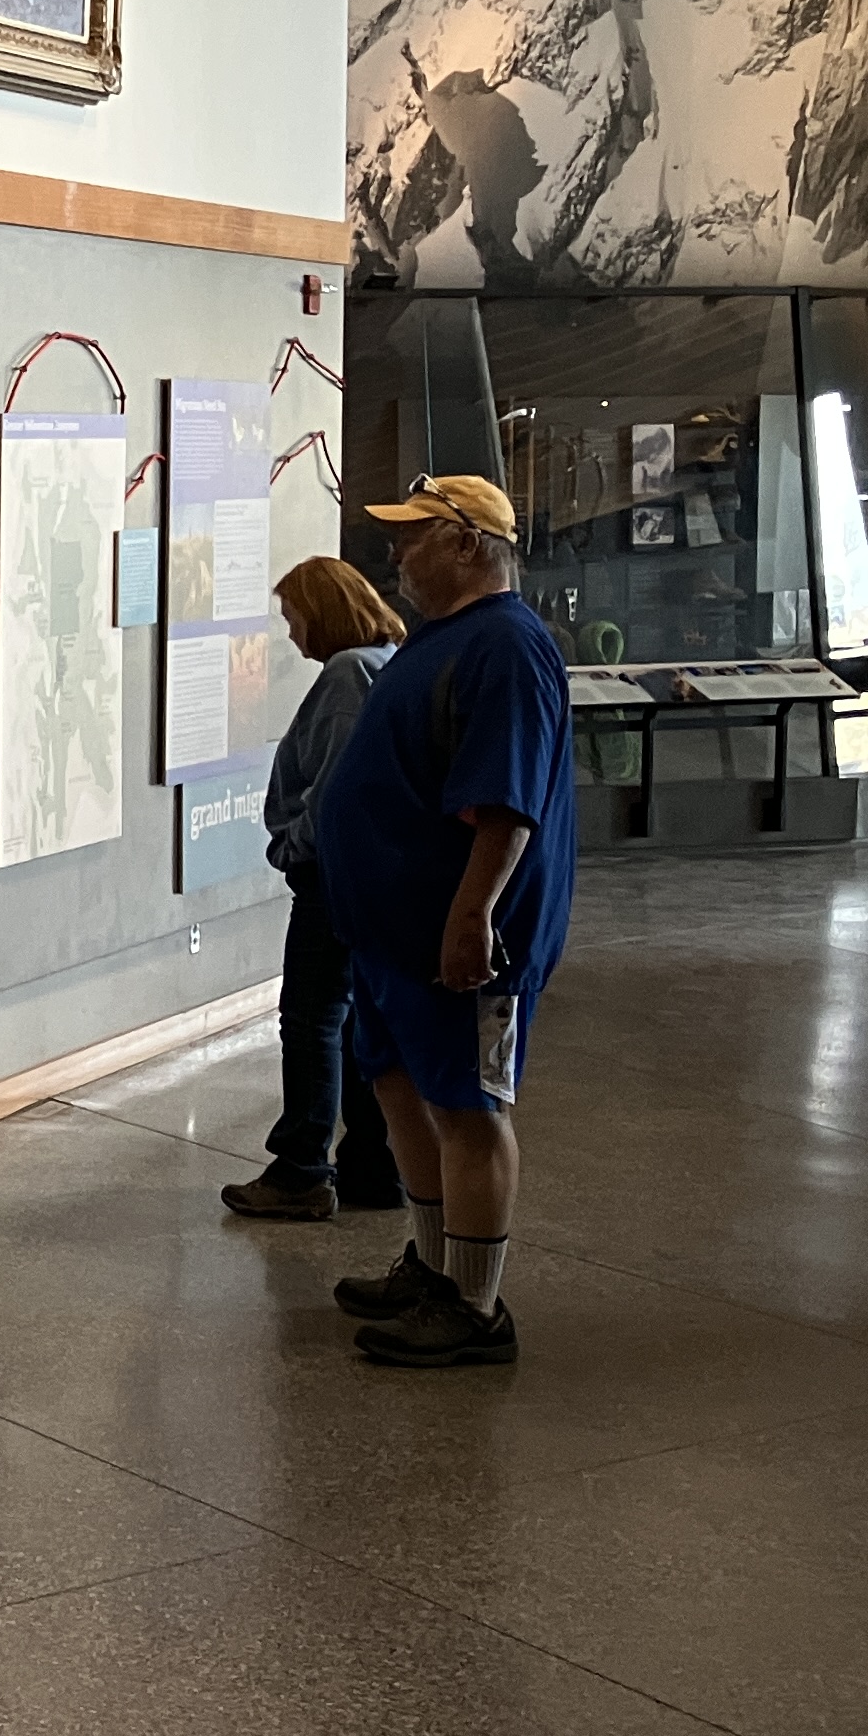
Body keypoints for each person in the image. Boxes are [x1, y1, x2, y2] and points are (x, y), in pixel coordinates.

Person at [309, 474, 576, 1368]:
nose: (397, 554)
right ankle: (434, 1264)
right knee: (398, 1088)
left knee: (468, 1105)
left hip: (460, 942)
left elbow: (506, 803)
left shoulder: (506, 646)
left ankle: (474, 1304)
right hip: (396, 938)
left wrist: (473, 918)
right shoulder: (445, 638)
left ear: (469, 543)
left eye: (415, 536)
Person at [218, 557, 407, 1223]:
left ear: (321, 611)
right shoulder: (385, 661)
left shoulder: (348, 673)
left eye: (293, 614)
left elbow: (334, 786)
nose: (289, 631)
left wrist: (294, 847)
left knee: (310, 1019)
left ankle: (301, 1167)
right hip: (366, 875)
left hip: (334, 876)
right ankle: (371, 1163)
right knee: (352, 1017)